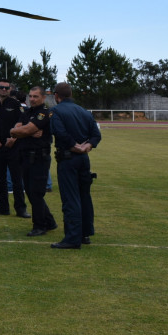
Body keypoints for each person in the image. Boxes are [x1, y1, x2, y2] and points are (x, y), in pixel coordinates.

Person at [48, 82, 102, 249]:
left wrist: (74, 146)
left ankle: (72, 238)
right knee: (84, 196)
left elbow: (60, 133)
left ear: (57, 96)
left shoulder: (56, 111)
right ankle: (85, 233)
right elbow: (96, 135)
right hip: (83, 159)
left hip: (68, 158)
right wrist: (87, 146)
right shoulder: (84, 112)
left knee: (70, 198)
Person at [9, 86, 57, 236]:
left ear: (43, 98)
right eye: (30, 96)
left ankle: (39, 226)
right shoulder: (27, 112)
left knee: (36, 192)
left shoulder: (45, 113)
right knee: (30, 191)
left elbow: (23, 131)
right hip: (26, 156)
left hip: (39, 157)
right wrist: (21, 131)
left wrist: (22, 131)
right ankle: (49, 221)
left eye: (36, 96)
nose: (32, 99)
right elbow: (18, 129)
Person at [0, 79, 29, 218]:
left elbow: (22, 123)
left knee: (16, 179)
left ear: (10, 90)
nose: (4, 90)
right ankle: (2, 207)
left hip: (14, 147)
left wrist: (14, 138)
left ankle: (21, 209)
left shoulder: (16, 105)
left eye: (6, 88)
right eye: (1, 87)